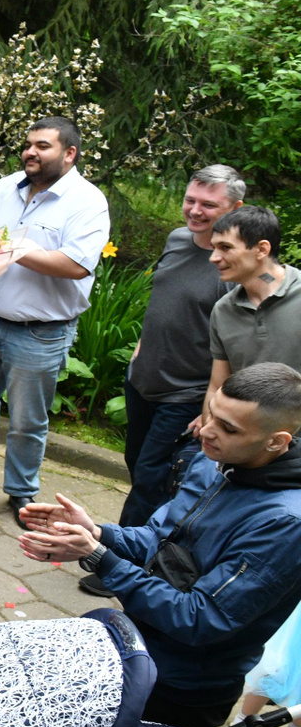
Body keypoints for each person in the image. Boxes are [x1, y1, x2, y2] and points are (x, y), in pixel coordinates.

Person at [20, 362, 301, 727]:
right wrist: (98, 533)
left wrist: (100, 558)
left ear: (276, 442)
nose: (207, 431)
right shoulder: (214, 462)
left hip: (182, 689)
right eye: (210, 413)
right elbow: (159, 540)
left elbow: (200, 618)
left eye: (229, 428)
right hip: (133, 652)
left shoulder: (285, 523)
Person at [0, 116, 111, 521]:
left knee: (27, 421)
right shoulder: (5, 187)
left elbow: (75, 265)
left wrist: (10, 247)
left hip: (39, 333)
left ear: (70, 153)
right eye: (28, 144)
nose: (30, 152)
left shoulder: (87, 202)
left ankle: (21, 492)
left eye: (42, 146)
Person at [119, 166, 244, 530]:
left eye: (209, 205)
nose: (195, 210)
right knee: (136, 463)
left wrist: (212, 407)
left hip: (185, 394)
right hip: (142, 381)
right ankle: (153, 537)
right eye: (191, 200)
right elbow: (164, 301)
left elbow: (237, 344)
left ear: (235, 208)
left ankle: (123, 553)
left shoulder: (234, 267)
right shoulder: (176, 239)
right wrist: (140, 350)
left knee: (152, 478)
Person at [206, 205, 301, 404]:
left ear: (261, 249)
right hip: (244, 424)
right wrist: (210, 422)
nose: (213, 258)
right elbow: (217, 388)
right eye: (214, 248)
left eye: (225, 247)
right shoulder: (223, 311)